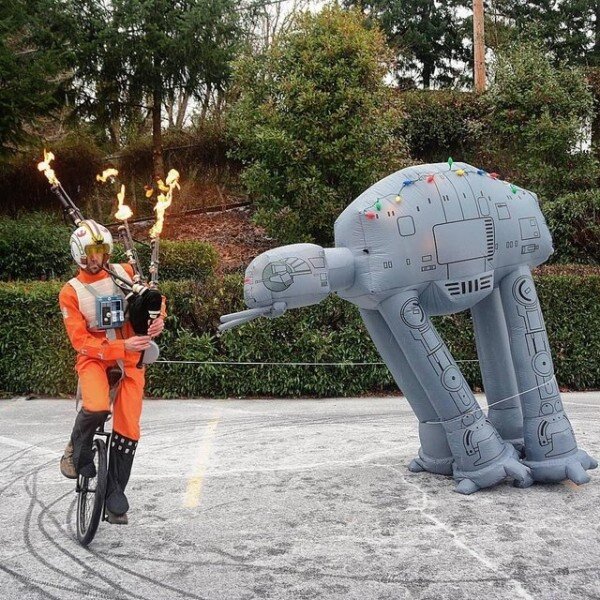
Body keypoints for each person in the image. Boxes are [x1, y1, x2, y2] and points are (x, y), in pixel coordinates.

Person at [59, 219, 165, 525]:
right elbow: (80, 341)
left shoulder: (126, 272)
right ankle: (78, 452)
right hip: (95, 359)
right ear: (79, 254)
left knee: (129, 426)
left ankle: (115, 492)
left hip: (131, 361)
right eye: (91, 253)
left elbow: (155, 299)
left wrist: (159, 318)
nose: (97, 259)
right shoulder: (70, 292)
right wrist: (121, 346)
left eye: (101, 252)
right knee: (95, 406)